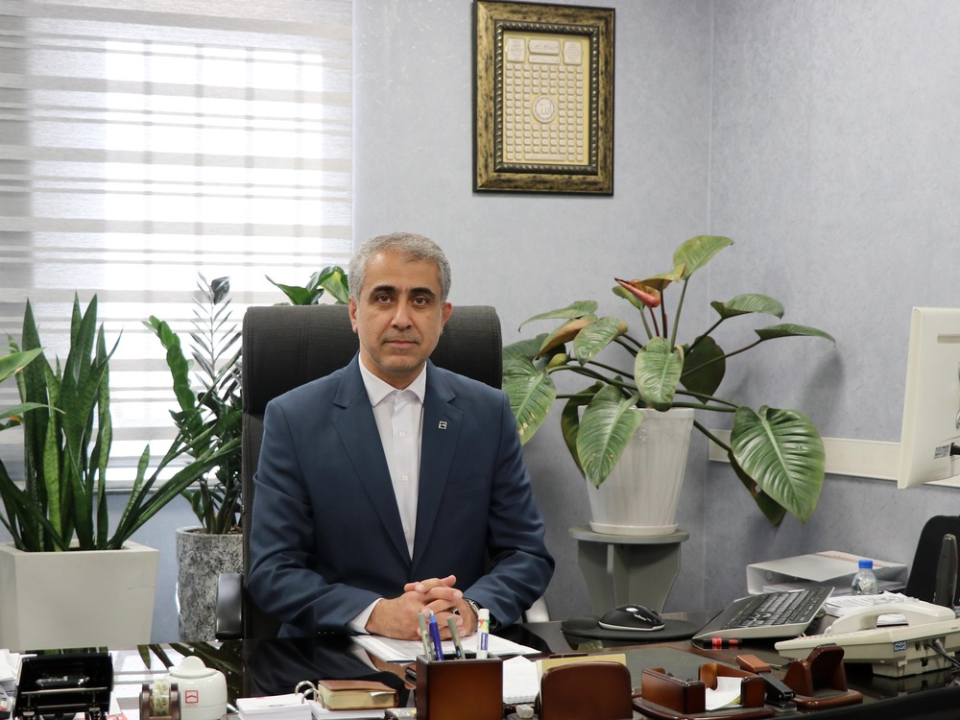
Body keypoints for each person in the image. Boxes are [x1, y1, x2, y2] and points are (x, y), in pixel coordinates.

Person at [247, 232, 554, 640]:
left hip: (454, 653)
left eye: (421, 300)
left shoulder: (488, 413)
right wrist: (375, 614)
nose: (402, 318)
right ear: (354, 312)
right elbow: (272, 571)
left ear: (443, 317)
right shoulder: (293, 419)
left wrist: (471, 609)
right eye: (384, 298)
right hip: (333, 655)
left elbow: (526, 553)